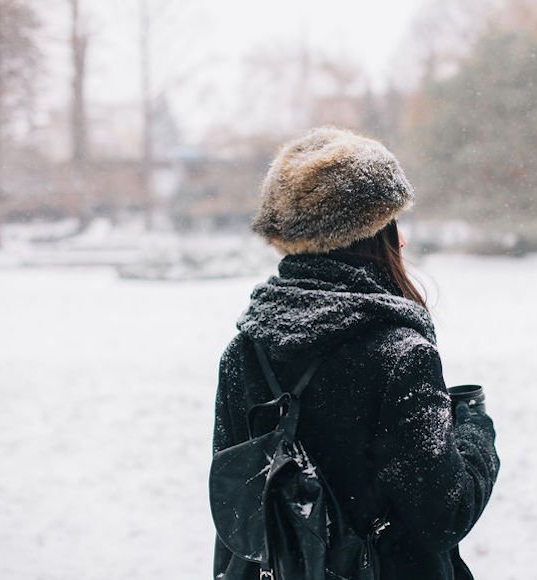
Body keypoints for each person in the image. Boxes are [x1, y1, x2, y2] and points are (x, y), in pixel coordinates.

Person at [212, 127, 500, 580]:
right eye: (393, 224)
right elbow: (444, 515)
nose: (402, 241)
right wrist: (474, 429)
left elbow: (236, 518)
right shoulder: (400, 356)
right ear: (371, 236)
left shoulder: (244, 352)